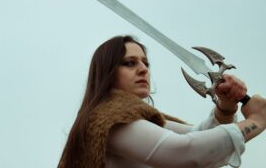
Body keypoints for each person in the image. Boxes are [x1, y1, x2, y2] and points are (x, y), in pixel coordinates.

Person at [57, 35, 266, 168]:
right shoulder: (106, 119)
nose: (143, 69)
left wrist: (226, 108)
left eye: (145, 63)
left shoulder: (136, 118)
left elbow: (199, 137)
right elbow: (185, 152)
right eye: (130, 63)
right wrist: (256, 120)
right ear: (107, 73)